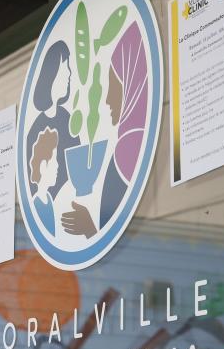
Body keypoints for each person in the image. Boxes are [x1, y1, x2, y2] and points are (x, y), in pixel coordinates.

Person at [62, 22, 148, 237]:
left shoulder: (130, 147)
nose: (108, 100)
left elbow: (119, 234)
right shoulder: (132, 143)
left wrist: (89, 229)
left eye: (114, 86)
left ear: (130, 83)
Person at [26, 40, 80, 198]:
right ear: (52, 74)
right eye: (66, 67)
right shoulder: (35, 131)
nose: (70, 73)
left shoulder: (67, 118)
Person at [29, 127, 59, 234]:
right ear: (43, 166)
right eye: (54, 161)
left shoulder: (49, 199)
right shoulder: (35, 205)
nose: (57, 166)